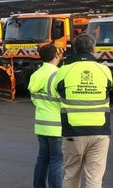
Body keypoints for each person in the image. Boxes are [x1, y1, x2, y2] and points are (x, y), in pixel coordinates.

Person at [53, 33, 112, 188]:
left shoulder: (63, 71)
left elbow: (55, 92)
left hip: (73, 132)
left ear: (75, 50)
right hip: (100, 132)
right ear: (93, 49)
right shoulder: (105, 70)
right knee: (95, 179)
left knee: (71, 176)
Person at [28, 43, 63, 188]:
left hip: (41, 124)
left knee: (42, 158)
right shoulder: (57, 74)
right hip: (56, 125)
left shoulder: (36, 74)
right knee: (56, 160)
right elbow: (62, 100)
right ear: (56, 55)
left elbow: (35, 100)